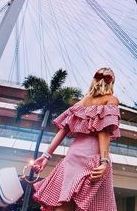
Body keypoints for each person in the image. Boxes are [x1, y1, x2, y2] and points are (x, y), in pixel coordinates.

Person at [32, 68, 120, 211]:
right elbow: (104, 131)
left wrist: (45, 156)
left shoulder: (82, 102)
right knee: (91, 206)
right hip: (93, 159)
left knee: (62, 204)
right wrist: (104, 161)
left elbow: (64, 129)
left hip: (72, 159)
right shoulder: (111, 100)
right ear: (112, 83)